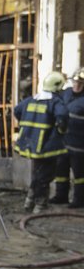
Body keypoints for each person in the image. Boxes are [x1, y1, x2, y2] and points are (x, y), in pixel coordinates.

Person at [13, 71, 69, 214]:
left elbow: (17, 110)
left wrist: (27, 125)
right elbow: (62, 116)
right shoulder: (55, 102)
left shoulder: (31, 100)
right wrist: (61, 130)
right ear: (57, 88)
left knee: (37, 174)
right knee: (45, 176)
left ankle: (29, 201)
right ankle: (40, 206)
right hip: (47, 147)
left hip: (31, 145)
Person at [54, 67, 84, 208]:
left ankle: (79, 199)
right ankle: (61, 196)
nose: (77, 85)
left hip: (79, 143)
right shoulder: (65, 94)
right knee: (61, 170)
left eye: (81, 83)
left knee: (79, 174)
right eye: (75, 82)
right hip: (63, 141)